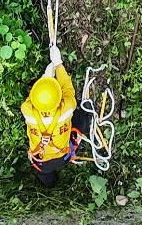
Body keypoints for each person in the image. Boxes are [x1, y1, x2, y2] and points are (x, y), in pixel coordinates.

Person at [21, 43, 92, 187]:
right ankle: (89, 116)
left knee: (44, 173)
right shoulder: (67, 108)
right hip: (63, 156)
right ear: (58, 98)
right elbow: (68, 89)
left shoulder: (27, 110)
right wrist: (58, 64)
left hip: (41, 163)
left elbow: (33, 97)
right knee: (82, 117)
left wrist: (45, 77)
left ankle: (50, 185)